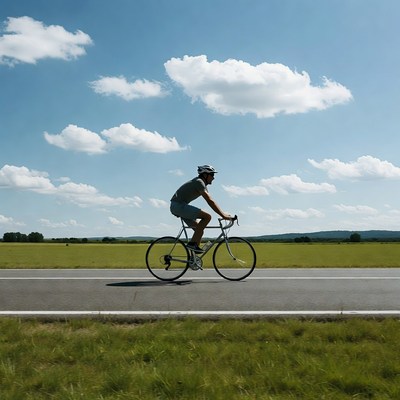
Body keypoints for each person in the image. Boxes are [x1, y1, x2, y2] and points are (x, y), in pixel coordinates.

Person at [170, 165, 232, 253]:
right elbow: (210, 201)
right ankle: (192, 245)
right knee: (207, 217)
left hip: (178, 206)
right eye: (212, 175)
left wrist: (224, 214)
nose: (213, 178)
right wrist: (223, 215)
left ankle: (193, 259)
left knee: (199, 230)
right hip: (178, 206)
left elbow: (211, 200)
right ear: (205, 175)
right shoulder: (199, 182)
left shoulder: (202, 185)